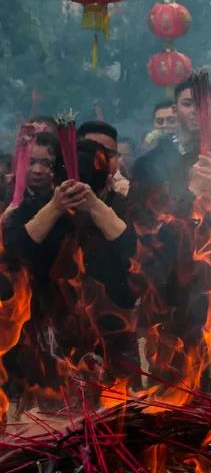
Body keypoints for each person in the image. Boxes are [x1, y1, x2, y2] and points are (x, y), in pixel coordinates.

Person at [2, 139, 138, 396]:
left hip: (109, 330)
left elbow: (132, 249)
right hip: (48, 334)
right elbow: (16, 248)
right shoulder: (33, 208)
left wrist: (94, 206)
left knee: (116, 406)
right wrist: (55, 207)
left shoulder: (119, 206)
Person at [78, 120, 129, 197]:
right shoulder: (62, 192)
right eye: (93, 152)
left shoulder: (129, 195)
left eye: (109, 154)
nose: (102, 160)